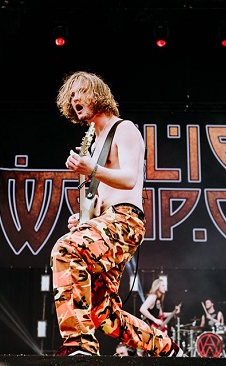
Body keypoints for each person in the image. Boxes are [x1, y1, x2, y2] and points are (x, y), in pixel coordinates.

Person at [50, 71, 183, 357]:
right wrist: (84, 220)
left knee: (65, 250)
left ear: (97, 93)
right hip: (107, 222)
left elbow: (129, 179)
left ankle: (80, 344)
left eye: (80, 92)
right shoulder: (94, 144)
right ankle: (167, 348)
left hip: (126, 221)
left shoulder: (124, 129)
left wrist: (91, 170)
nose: (75, 99)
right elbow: (100, 199)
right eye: (71, 95)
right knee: (104, 314)